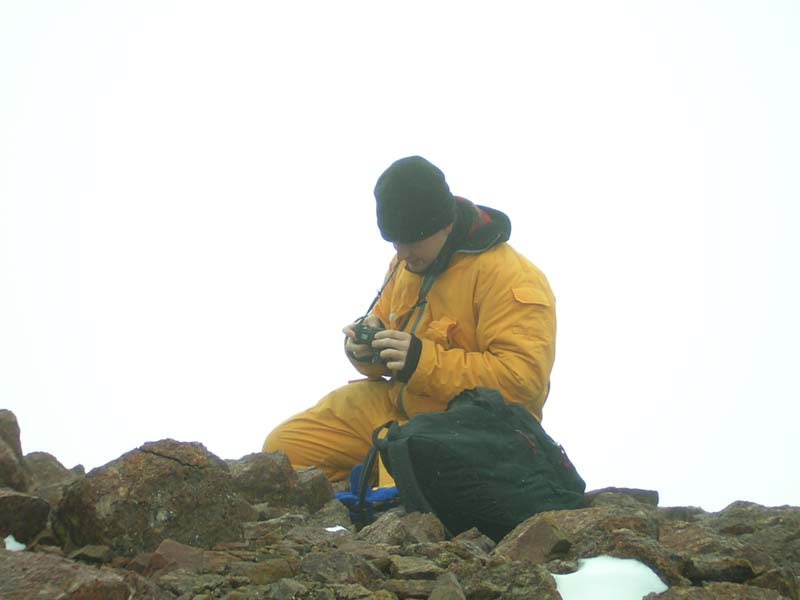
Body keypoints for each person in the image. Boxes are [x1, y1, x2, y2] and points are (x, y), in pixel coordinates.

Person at [263, 155, 556, 485]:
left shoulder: (512, 278)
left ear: (445, 224)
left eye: (411, 242)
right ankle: (366, 493)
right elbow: (386, 340)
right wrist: (365, 347)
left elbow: (523, 383)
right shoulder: (407, 262)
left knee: (405, 478)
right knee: (284, 453)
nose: (401, 255)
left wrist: (420, 360)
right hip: (395, 409)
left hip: (472, 432)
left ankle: (387, 494)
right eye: (394, 242)